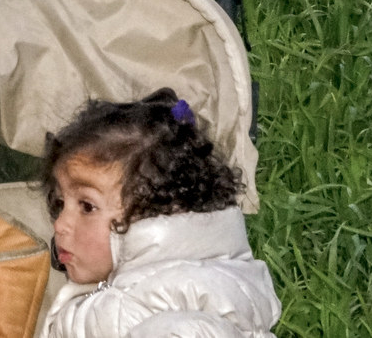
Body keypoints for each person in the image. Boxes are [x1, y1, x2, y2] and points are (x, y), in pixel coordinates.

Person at [39, 90, 279, 338]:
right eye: (59, 203)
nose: (60, 224)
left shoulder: (165, 316)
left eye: (87, 206)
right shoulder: (140, 296)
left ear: (154, 214)